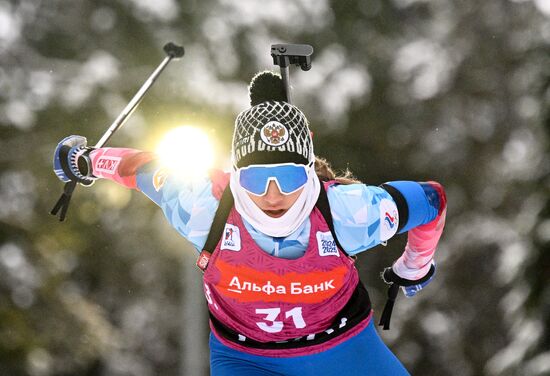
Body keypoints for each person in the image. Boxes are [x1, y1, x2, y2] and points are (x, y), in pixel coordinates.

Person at [53, 71, 447, 375]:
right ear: (234, 174)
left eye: (289, 179)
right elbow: (140, 167)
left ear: (309, 174)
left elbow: (431, 200)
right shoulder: (203, 205)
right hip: (247, 359)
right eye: (256, 180)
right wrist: (85, 160)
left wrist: (414, 265)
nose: (272, 195)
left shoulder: (349, 212)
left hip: (345, 351)